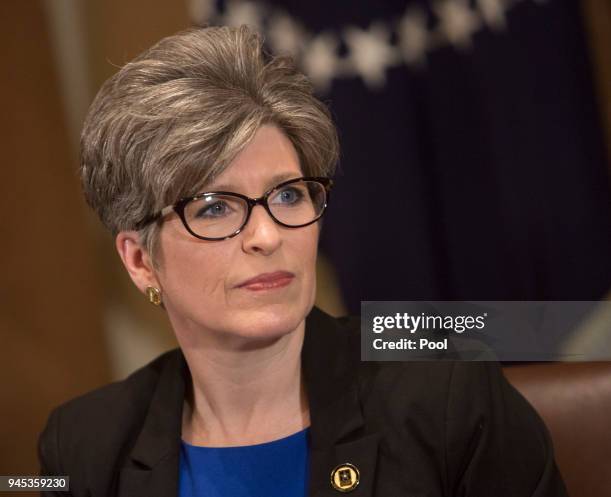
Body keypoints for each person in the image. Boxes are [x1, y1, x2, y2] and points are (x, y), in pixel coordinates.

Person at [38, 26, 568, 497]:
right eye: (216, 207)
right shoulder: (82, 448)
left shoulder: (448, 398)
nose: (267, 235)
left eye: (289, 195)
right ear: (140, 261)